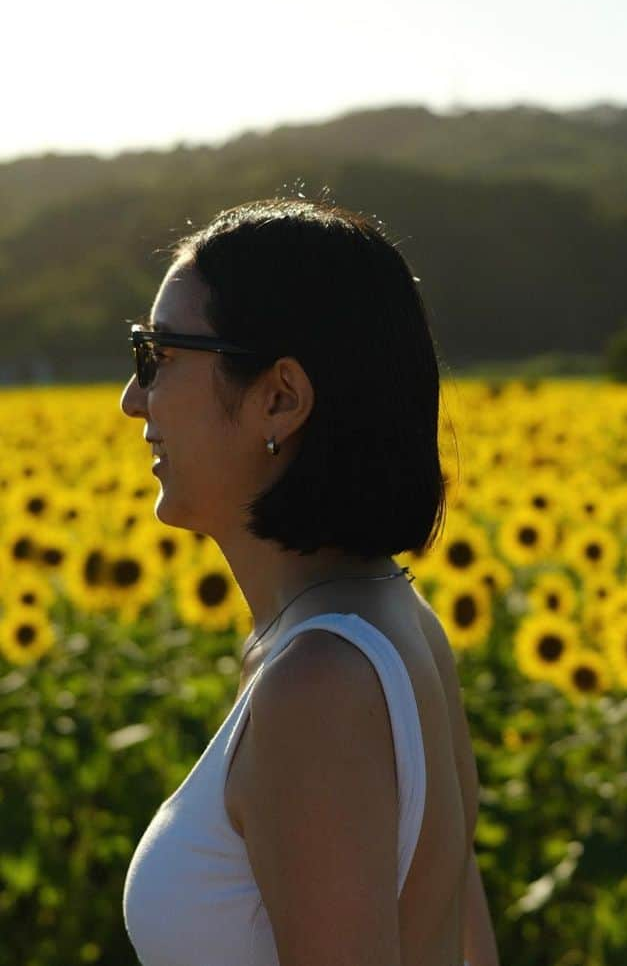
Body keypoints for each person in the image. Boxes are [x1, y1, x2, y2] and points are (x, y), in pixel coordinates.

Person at [119, 195, 499, 966]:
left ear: (281, 398)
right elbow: (469, 945)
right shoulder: (395, 617)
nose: (134, 400)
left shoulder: (318, 682)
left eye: (156, 356)